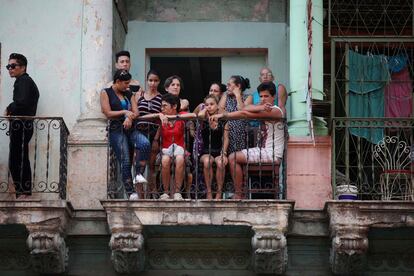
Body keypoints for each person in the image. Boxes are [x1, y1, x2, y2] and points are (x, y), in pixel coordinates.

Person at [210, 82, 285, 199]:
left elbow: (244, 112)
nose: (263, 99)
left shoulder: (275, 110)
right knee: (234, 157)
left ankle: (239, 194)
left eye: (266, 96)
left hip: (272, 153)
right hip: (265, 150)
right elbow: (246, 108)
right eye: (261, 96)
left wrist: (222, 116)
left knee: (233, 157)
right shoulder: (264, 108)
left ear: (273, 97)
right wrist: (260, 106)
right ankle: (241, 192)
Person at [100, 69, 150, 200]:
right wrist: (124, 112)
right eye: (126, 83)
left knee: (144, 143)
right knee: (125, 160)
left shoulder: (128, 93)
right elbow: (107, 112)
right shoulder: (106, 93)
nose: (128, 86)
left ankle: (138, 174)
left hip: (130, 128)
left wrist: (129, 117)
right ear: (117, 82)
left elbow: (136, 111)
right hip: (116, 130)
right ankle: (130, 192)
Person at [141, 94, 196, 200]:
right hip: (165, 151)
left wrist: (172, 117)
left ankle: (177, 192)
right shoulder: (161, 116)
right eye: (161, 106)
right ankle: (165, 192)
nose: (162, 108)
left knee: (180, 159)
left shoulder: (181, 115)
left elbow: (193, 115)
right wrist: (159, 115)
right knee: (165, 160)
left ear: (174, 106)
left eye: (165, 106)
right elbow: (142, 117)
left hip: (180, 151)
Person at [5, 53, 39, 199]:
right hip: (22, 125)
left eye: (13, 66)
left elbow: (22, 102)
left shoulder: (23, 81)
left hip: (22, 125)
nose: (10, 69)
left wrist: (9, 108)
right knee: (19, 158)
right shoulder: (24, 81)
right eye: (8, 66)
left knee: (17, 159)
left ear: (23, 67)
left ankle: (24, 193)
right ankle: (23, 192)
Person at [132, 69, 163, 198]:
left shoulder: (161, 97)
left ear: (159, 82)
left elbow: (162, 119)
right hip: (139, 131)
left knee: (151, 164)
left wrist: (156, 139)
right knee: (138, 162)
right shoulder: (139, 95)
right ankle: (140, 194)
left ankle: (151, 193)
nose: (153, 83)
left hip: (154, 132)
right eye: (150, 80)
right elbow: (134, 112)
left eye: (155, 80)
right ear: (147, 81)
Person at [197, 95, 229, 199]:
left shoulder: (223, 121)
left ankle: (219, 192)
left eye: (212, 104)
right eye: (207, 105)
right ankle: (209, 191)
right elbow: (200, 115)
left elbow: (226, 138)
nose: (209, 106)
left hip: (219, 151)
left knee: (220, 162)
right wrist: (205, 109)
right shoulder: (204, 119)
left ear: (217, 105)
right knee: (207, 161)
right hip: (206, 151)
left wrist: (224, 153)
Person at [218, 75, 252, 154]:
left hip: (241, 134)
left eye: (229, 85)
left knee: (237, 158)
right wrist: (236, 115)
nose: (227, 87)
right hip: (227, 132)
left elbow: (242, 110)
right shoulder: (226, 95)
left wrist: (237, 95)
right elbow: (219, 110)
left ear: (238, 86)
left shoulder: (248, 97)